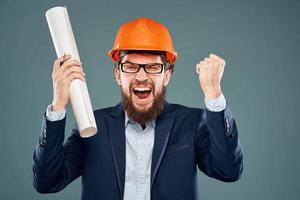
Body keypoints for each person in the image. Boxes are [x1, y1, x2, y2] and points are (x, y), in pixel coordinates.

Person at [33, 17, 243, 200]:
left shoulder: (191, 123)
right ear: (118, 75)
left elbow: (228, 171)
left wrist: (213, 95)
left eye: (153, 67)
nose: (141, 77)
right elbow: (46, 183)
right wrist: (58, 105)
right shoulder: (91, 126)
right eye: (131, 67)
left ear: (167, 75)